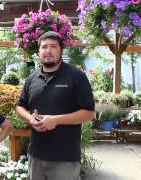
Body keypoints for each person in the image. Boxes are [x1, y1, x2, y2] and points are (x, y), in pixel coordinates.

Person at [16, 31, 95, 180]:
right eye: (44, 47)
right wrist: (30, 119)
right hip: (36, 155)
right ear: (38, 51)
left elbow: (89, 113)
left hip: (64, 158)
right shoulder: (32, 78)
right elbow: (20, 107)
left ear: (61, 50)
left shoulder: (76, 76)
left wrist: (55, 120)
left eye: (53, 46)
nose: (48, 51)